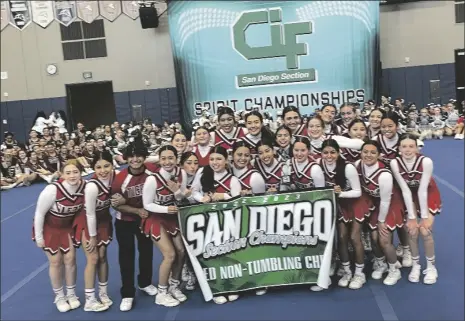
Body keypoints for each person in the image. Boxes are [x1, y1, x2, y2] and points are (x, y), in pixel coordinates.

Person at [32, 159, 86, 312]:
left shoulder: (85, 186)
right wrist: (39, 236)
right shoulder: (52, 190)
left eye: (75, 172)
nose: (72, 175)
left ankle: (71, 293)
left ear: (81, 173)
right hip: (50, 228)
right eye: (68, 172)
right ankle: (60, 296)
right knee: (56, 262)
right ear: (61, 174)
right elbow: (39, 213)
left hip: (68, 228)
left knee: (70, 260)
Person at [191, 146, 241, 304]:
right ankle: (217, 288)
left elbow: (239, 202)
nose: (215, 162)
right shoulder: (203, 174)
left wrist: (224, 196)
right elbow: (194, 191)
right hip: (209, 222)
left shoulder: (233, 180)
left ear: (226, 160)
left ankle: (232, 286)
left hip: (229, 223)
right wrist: (201, 199)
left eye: (219, 159)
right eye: (212, 159)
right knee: (212, 256)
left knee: (230, 255)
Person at [111, 140, 157, 312]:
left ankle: (145, 282)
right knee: (126, 256)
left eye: (139, 156)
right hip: (125, 221)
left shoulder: (152, 172)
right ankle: (128, 293)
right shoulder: (120, 179)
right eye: (131, 156)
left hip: (145, 219)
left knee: (146, 251)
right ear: (126, 158)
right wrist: (136, 210)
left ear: (144, 157)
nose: (135, 159)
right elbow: (115, 204)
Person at [390, 134, 441, 284]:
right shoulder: (395, 163)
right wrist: (412, 217)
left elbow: (423, 189)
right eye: (404, 146)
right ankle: (416, 265)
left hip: (428, 192)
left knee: (425, 230)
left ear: (417, 148)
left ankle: (431, 267)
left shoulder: (426, 161)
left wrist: (424, 217)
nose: (407, 150)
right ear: (399, 148)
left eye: (411, 146)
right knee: (411, 230)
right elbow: (405, 190)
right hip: (409, 194)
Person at [142, 145, 188, 307]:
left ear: (176, 159)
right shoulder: (152, 179)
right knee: (170, 255)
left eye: (171, 158)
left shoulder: (181, 173)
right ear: (159, 160)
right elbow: (146, 204)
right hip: (156, 218)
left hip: (172, 217)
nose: (167, 161)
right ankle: (161, 293)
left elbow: (181, 199)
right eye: (163, 158)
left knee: (181, 252)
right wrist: (165, 209)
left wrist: (177, 192)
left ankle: (174, 286)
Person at [355, 141, 405, 286]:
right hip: (376, 204)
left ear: (379, 155)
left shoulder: (384, 175)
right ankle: (381, 263)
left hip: (390, 204)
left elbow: (385, 200)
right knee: (373, 237)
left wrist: (381, 221)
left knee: (383, 239)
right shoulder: (358, 165)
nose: (368, 155)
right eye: (365, 151)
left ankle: (394, 268)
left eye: (372, 152)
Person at [73, 150, 116, 312]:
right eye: (98, 167)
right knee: (93, 258)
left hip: (104, 221)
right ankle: (90, 299)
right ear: (93, 168)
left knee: (103, 257)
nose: (103, 170)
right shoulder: (92, 186)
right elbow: (90, 213)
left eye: (107, 166)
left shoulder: (114, 177)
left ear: (112, 165)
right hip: (87, 222)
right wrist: (92, 237)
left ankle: (103, 293)